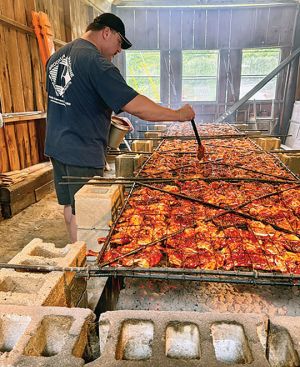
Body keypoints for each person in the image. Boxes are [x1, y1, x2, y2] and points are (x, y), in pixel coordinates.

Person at [45, 13, 195, 243]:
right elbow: (135, 105)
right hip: (81, 149)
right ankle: (85, 264)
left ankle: (74, 253)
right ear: (107, 32)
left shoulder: (56, 57)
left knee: (71, 205)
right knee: (87, 212)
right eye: (119, 43)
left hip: (56, 145)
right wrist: (178, 115)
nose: (119, 50)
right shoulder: (96, 63)